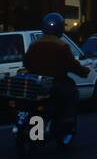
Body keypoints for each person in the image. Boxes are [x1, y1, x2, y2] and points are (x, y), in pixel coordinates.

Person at [22, 12, 87, 143]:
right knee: (72, 93)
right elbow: (72, 64)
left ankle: (42, 131)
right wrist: (84, 71)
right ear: (60, 28)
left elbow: (26, 62)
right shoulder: (62, 45)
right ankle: (67, 124)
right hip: (57, 82)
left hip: (37, 84)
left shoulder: (34, 45)